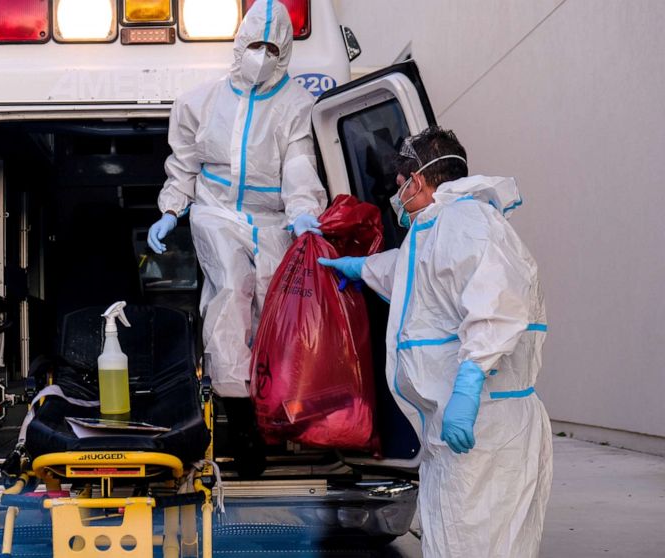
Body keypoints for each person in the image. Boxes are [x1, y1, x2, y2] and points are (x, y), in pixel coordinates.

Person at [319, 127, 552, 557]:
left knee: (479, 543)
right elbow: (416, 278)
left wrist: (468, 384)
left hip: (483, 426)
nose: (398, 193)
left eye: (400, 183)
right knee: (457, 540)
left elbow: (498, 305)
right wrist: (359, 267)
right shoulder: (440, 228)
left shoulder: (467, 222)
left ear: (418, 180)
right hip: (460, 434)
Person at [146, 0, 326, 468]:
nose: (261, 55)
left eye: (271, 47)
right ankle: (244, 426)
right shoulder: (200, 101)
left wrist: (304, 212)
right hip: (217, 212)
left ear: (284, 50)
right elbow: (183, 164)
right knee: (230, 294)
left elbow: (300, 165)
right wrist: (171, 209)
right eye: (254, 45)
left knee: (277, 308)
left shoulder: (297, 106)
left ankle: (279, 416)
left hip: (272, 218)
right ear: (239, 44)